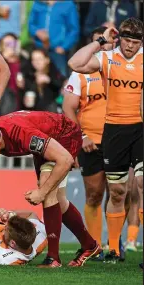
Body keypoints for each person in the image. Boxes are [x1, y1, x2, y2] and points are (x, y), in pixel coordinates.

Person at [0, 111, 102, 267]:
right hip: (46, 136)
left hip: (63, 134)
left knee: (47, 190)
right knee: (60, 202)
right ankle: (90, 246)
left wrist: (41, 192)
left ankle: (53, 258)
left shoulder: (22, 135)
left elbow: (65, 159)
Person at [68, 17, 143, 263]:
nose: (131, 46)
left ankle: (132, 241)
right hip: (113, 131)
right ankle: (113, 249)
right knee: (118, 191)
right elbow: (74, 62)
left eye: (136, 42)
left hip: (140, 128)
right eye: (127, 41)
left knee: (142, 185)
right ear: (119, 38)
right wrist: (101, 41)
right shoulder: (107, 59)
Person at [62, 26, 114, 252]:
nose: (103, 46)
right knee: (94, 195)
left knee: (124, 192)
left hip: (121, 140)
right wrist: (81, 136)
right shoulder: (80, 74)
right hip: (92, 142)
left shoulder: (124, 68)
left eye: (107, 42)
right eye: (97, 42)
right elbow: (68, 108)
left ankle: (117, 245)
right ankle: (95, 246)